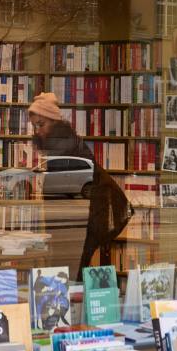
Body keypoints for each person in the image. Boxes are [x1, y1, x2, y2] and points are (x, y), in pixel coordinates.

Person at [28, 92, 133, 280]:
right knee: (70, 276)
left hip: (76, 225)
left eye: (41, 124)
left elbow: (72, 191)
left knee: (66, 276)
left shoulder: (65, 149)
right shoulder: (65, 145)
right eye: (34, 125)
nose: (37, 131)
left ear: (54, 122)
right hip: (76, 224)